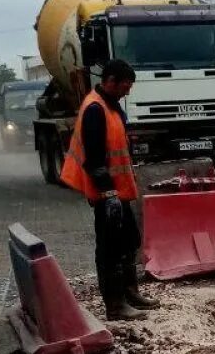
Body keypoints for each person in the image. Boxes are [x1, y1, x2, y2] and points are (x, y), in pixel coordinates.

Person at [60, 59, 160, 321]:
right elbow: (94, 160)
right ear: (111, 81)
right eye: (125, 86)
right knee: (110, 249)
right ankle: (115, 305)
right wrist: (108, 194)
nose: (128, 92)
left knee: (129, 241)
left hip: (119, 193)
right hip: (107, 195)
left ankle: (130, 293)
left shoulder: (111, 106)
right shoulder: (95, 109)